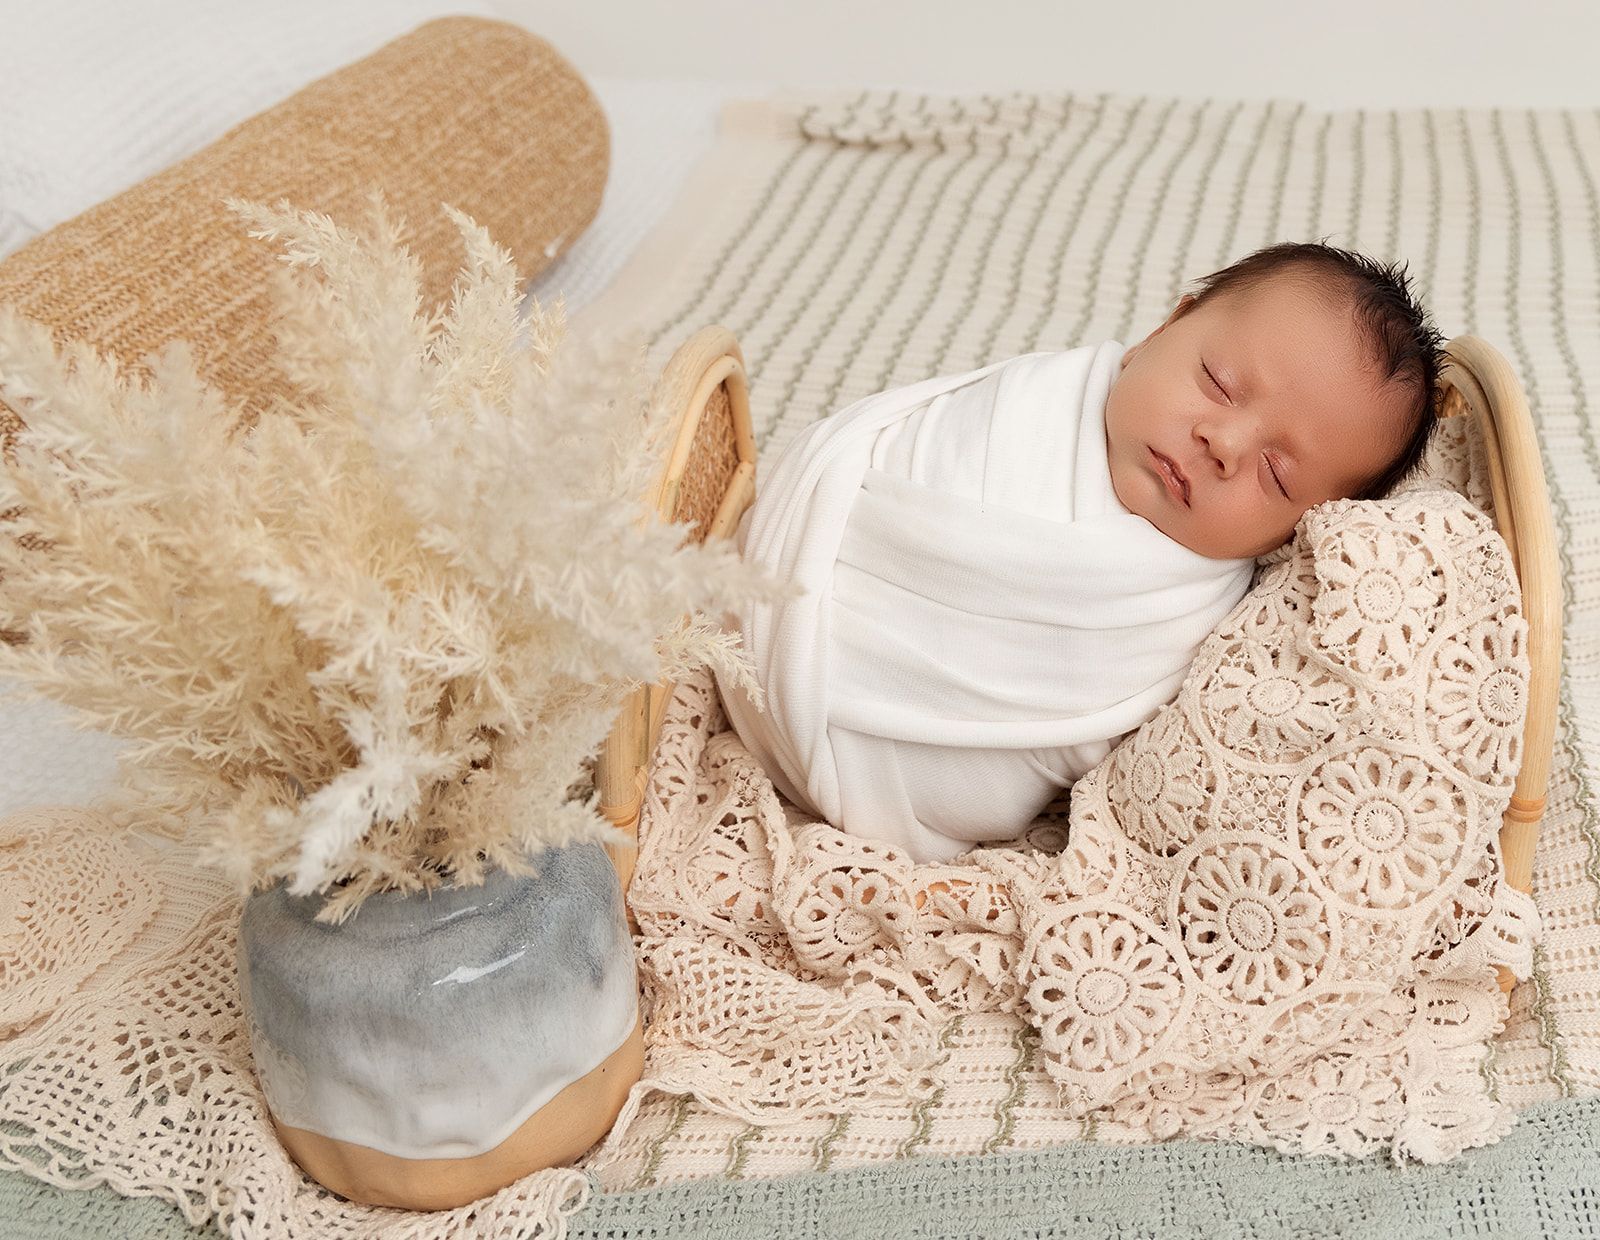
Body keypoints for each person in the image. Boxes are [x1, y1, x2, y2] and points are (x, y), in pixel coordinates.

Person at [713, 240, 1446, 864]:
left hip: (872, 787)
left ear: (1301, 530)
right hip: (761, 607)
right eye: (1219, 384)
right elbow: (883, 449)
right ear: (1166, 328)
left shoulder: (1193, 619)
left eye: (1275, 474)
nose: (1222, 443)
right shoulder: (1034, 401)